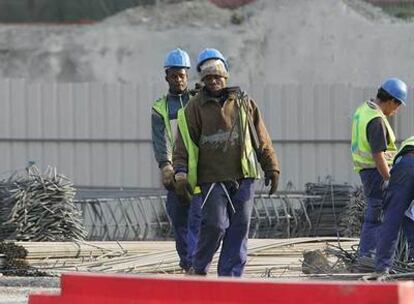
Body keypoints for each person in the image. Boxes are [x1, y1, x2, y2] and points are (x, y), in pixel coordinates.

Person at [173, 48, 280, 277]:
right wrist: (180, 172)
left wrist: (271, 166)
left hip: (244, 177)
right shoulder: (194, 107)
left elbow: (261, 136)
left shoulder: (243, 101)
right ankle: (198, 267)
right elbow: (183, 143)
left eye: (218, 75)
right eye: (208, 77)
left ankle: (229, 280)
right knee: (215, 225)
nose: (213, 80)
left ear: (226, 75)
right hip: (211, 178)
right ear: (202, 79)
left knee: (239, 230)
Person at [151, 48, 202, 272]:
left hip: (199, 171)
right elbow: (160, 138)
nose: (179, 79)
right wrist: (165, 165)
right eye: (174, 75)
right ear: (167, 77)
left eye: (182, 75)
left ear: (187, 76)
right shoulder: (160, 108)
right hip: (175, 172)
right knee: (179, 219)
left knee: (197, 219)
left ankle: (194, 263)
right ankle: (187, 262)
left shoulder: (197, 101)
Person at [351, 77, 407, 259]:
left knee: (374, 213)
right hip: (376, 174)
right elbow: (378, 155)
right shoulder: (377, 120)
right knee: (377, 216)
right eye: (397, 106)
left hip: (367, 172)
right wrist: (389, 178)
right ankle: (369, 255)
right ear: (391, 101)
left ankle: (368, 254)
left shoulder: (364, 110)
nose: (396, 110)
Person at [375, 136, 414, 274]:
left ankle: (382, 267)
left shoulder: (409, 141)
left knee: (393, 217)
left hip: (406, 165)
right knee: (408, 214)